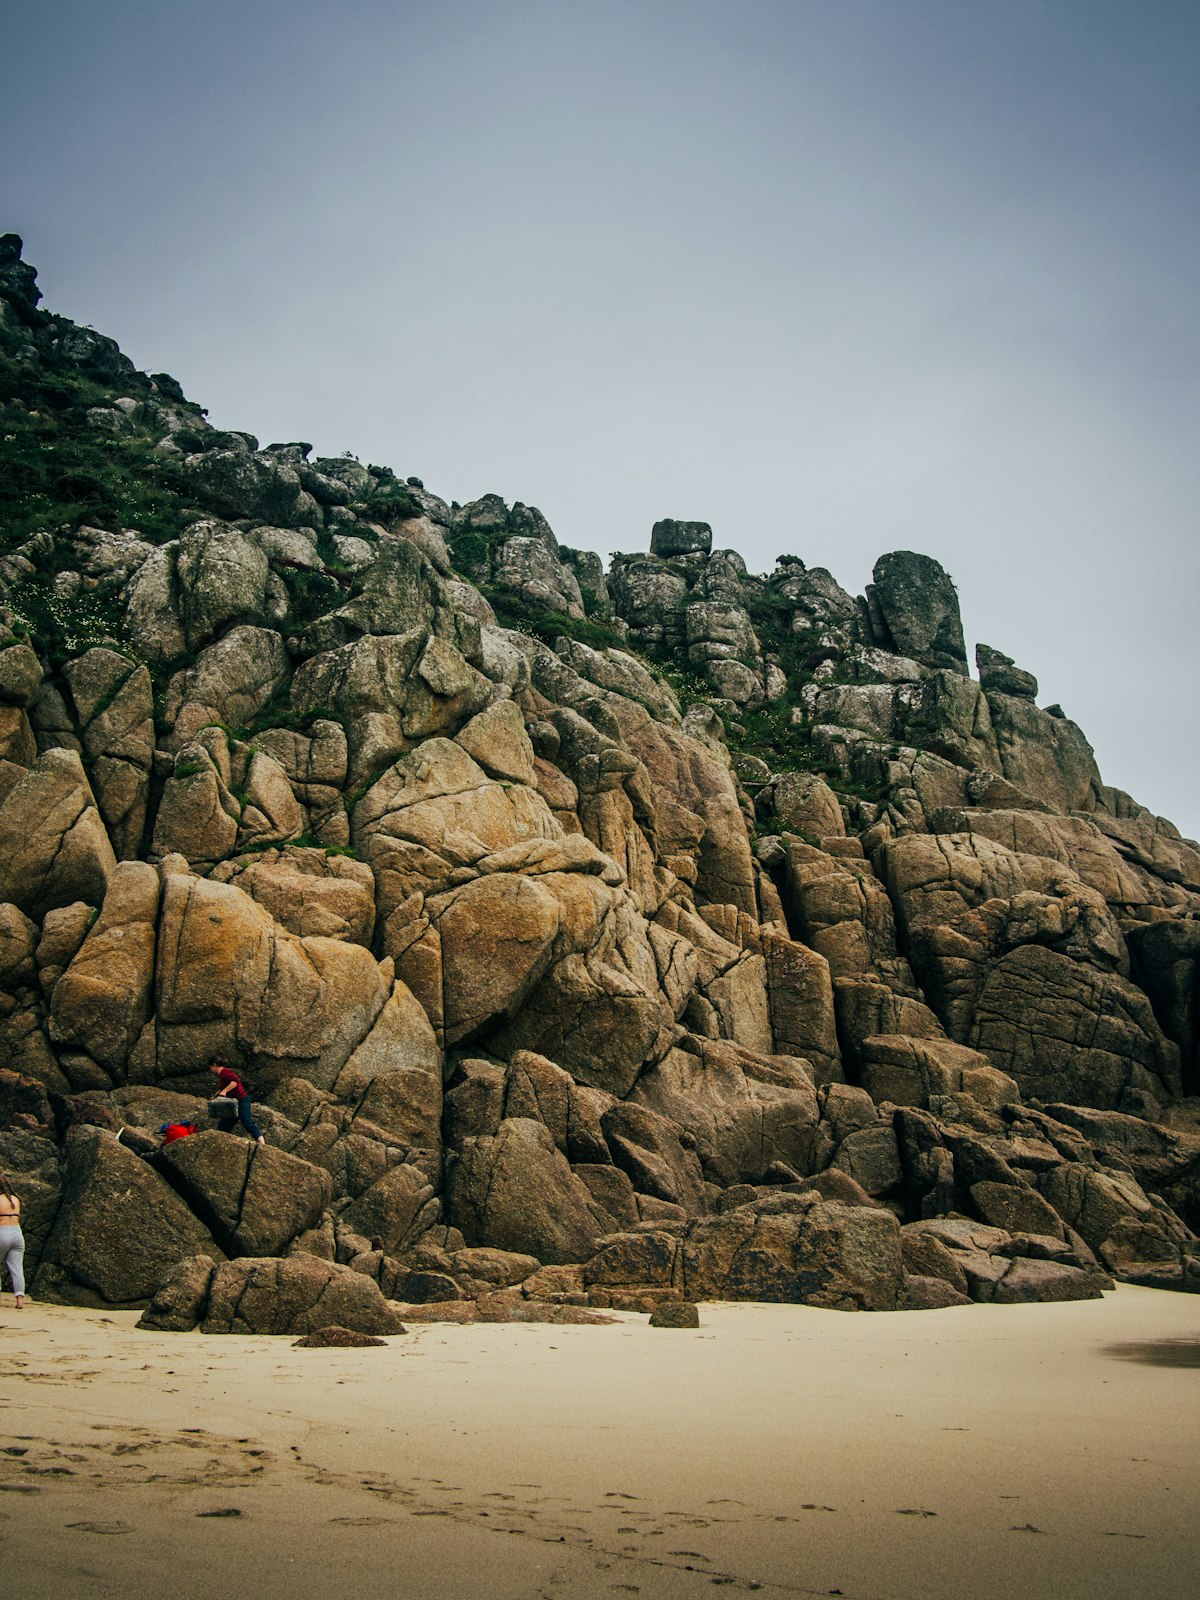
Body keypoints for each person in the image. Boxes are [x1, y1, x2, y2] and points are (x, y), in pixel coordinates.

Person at [208, 1063, 265, 1148]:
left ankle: (262, 1143)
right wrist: (215, 1096)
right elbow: (222, 1088)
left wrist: (224, 1092)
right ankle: (223, 1145)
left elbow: (234, 1082)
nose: (210, 1070)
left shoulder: (225, 1072)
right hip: (232, 1103)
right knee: (223, 1125)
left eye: (210, 1067)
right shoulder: (221, 1075)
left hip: (241, 1101)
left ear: (214, 1065)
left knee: (247, 1122)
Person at [0, 1174, 25, 1309]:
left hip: (2, 1233)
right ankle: (19, 1300)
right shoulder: (15, 1200)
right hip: (17, 1234)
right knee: (17, 1268)